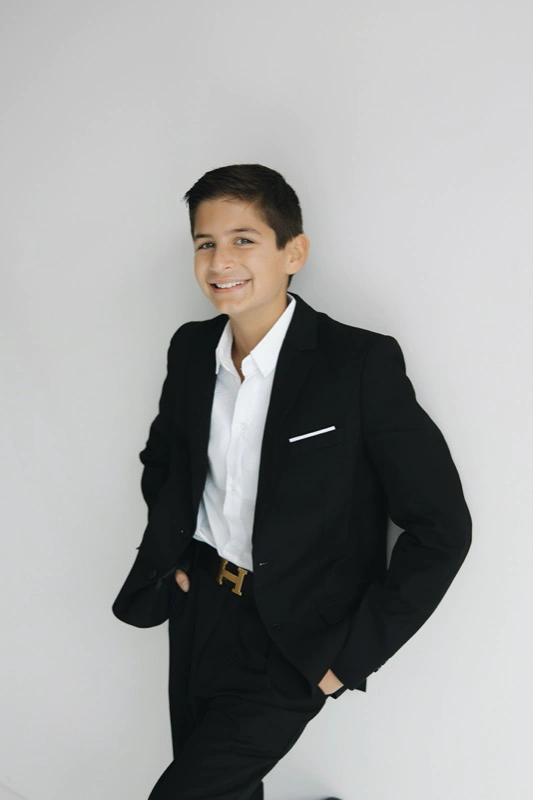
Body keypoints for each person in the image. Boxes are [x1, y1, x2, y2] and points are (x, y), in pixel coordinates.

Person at [112, 163, 472, 799]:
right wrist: (176, 557)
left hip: (298, 637)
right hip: (201, 612)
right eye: (205, 242)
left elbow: (442, 527)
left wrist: (349, 658)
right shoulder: (191, 350)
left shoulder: (358, 364)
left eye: (243, 239)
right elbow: (164, 460)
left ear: (293, 252)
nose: (220, 260)